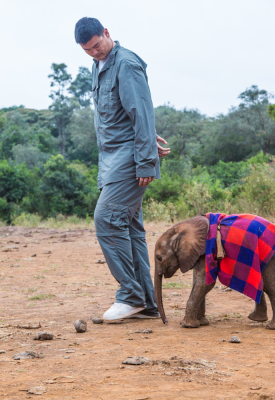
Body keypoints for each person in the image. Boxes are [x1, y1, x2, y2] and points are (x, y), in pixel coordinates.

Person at [74, 17, 171, 320]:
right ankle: (146, 302)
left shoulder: (126, 64)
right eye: (87, 50)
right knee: (129, 228)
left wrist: (144, 158)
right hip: (112, 159)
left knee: (106, 219)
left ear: (106, 33)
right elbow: (121, 114)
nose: (94, 53)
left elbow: (141, 110)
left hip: (129, 161)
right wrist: (144, 136)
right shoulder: (98, 66)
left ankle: (130, 296)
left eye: (97, 46)